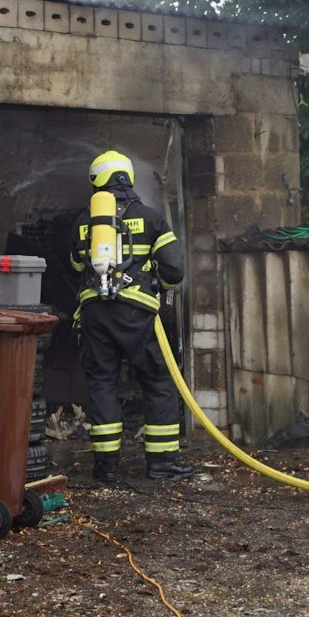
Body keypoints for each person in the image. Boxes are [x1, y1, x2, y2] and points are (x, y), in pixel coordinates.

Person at [70, 149, 194, 482]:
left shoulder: (83, 223)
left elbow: (76, 267)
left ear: (97, 179)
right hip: (137, 313)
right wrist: (158, 284)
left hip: (95, 314)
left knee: (102, 383)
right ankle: (162, 462)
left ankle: (106, 466)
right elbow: (175, 270)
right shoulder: (151, 218)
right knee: (157, 382)